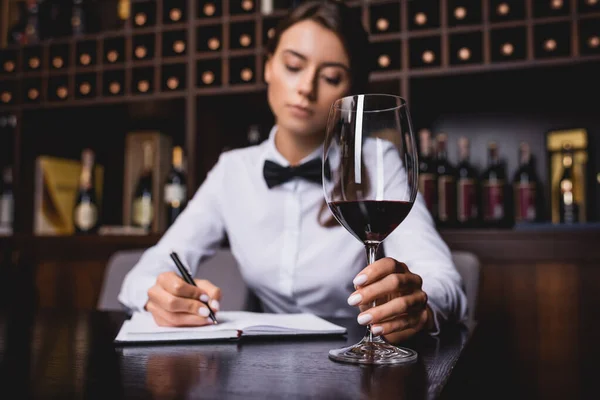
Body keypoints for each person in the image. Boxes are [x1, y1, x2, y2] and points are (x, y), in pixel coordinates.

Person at [118, 0, 467, 344]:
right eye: (293, 65)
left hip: (358, 358)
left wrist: (419, 306)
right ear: (268, 66)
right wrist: (159, 295)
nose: (306, 88)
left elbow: (445, 282)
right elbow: (145, 272)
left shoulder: (379, 163)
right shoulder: (233, 170)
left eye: (331, 76)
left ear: (349, 90)